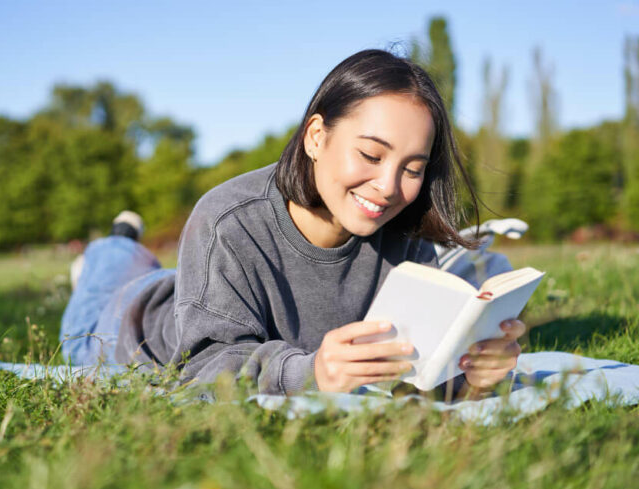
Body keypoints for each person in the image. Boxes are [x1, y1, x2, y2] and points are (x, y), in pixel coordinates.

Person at [59, 49, 525, 399]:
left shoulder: (407, 230)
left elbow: (412, 367)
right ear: (316, 136)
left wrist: (471, 371)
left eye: (412, 167)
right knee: (111, 273)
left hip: (201, 290)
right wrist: (311, 374)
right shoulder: (227, 219)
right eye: (370, 154)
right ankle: (114, 246)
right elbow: (202, 367)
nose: (388, 186)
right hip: (131, 320)